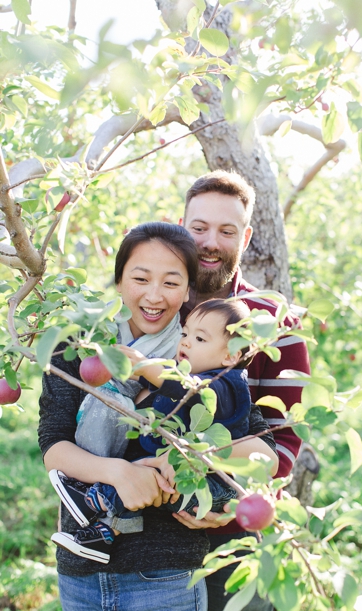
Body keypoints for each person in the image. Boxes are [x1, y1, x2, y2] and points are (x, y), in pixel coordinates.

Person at [39, 222, 281, 610]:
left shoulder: (197, 355)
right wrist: (119, 474)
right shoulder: (78, 346)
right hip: (80, 570)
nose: (154, 295)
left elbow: (264, 454)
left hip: (167, 576)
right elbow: (53, 445)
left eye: (171, 282)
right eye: (140, 278)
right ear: (119, 281)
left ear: (188, 290)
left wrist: (199, 470)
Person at [177, 170, 311, 611]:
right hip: (149, 543)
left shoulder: (272, 323)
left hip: (235, 542)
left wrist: (233, 508)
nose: (210, 242)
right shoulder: (153, 309)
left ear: (246, 237)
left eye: (226, 231)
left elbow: (285, 441)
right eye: (199, 228)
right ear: (182, 228)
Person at [48, 298, 254, 564]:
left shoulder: (228, 386)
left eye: (200, 339)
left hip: (211, 488)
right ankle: (101, 537)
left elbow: (191, 389)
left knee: (150, 478)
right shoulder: (188, 373)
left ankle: (92, 500)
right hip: (183, 477)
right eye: (185, 333)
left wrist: (145, 367)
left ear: (231, 356)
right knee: (143, 476)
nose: (186, 342)